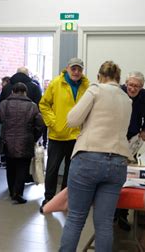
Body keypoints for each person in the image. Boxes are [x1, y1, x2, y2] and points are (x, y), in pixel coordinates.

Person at [59, 61, 132, 252]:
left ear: (100, 76)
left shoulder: (96, 89)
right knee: (105, 223)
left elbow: (72, 120)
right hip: (118, 162)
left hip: (89, 158)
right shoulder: (127, 99)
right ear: (119, 78)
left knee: (75, 218)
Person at [39, 58, 90, 211]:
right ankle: (49, 198)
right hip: (58, 135)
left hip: (77, 136)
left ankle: (64, 198)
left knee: (71, 170)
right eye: (73, 69)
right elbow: (43, 104)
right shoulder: (56, 83)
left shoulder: (87, 86)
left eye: (79, 69)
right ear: (67, 68)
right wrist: (53, 122)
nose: (76, 72)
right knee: (53, 169)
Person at [0, 82, 44, 204]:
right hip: (26, 140)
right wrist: (34, 137)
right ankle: (17, 193)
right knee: (22, 167)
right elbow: (40, 124)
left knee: (10, 166)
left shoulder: (5, 104)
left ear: (12, 92)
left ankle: (11, 191)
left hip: (7, 141)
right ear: (25, 92)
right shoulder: (32, 106)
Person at [117, 71, 145, 231]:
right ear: (125, 83)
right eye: (130, 85)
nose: (132, 88)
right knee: (114, 176)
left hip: (132, 139)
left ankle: (123, 215)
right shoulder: (118, 91)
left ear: (142, 87)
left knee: (127, 177)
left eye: (136, 86)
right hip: (116, 137)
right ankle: (112, 212)